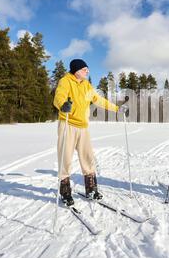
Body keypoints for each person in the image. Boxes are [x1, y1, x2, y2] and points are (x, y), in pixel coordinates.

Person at [53, 59, 127, 206]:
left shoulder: (86, 85)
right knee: (65, 157)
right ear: (77, 71)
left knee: (87, 157)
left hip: (83, 126)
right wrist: (63, 105)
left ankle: (91, 189)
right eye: (84, 69)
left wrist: (117, 109)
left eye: (87, 69)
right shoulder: (66, 81)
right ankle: (65, 191)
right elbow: (59, 97)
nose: (87, 71)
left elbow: (99, 100)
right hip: (68, 124)